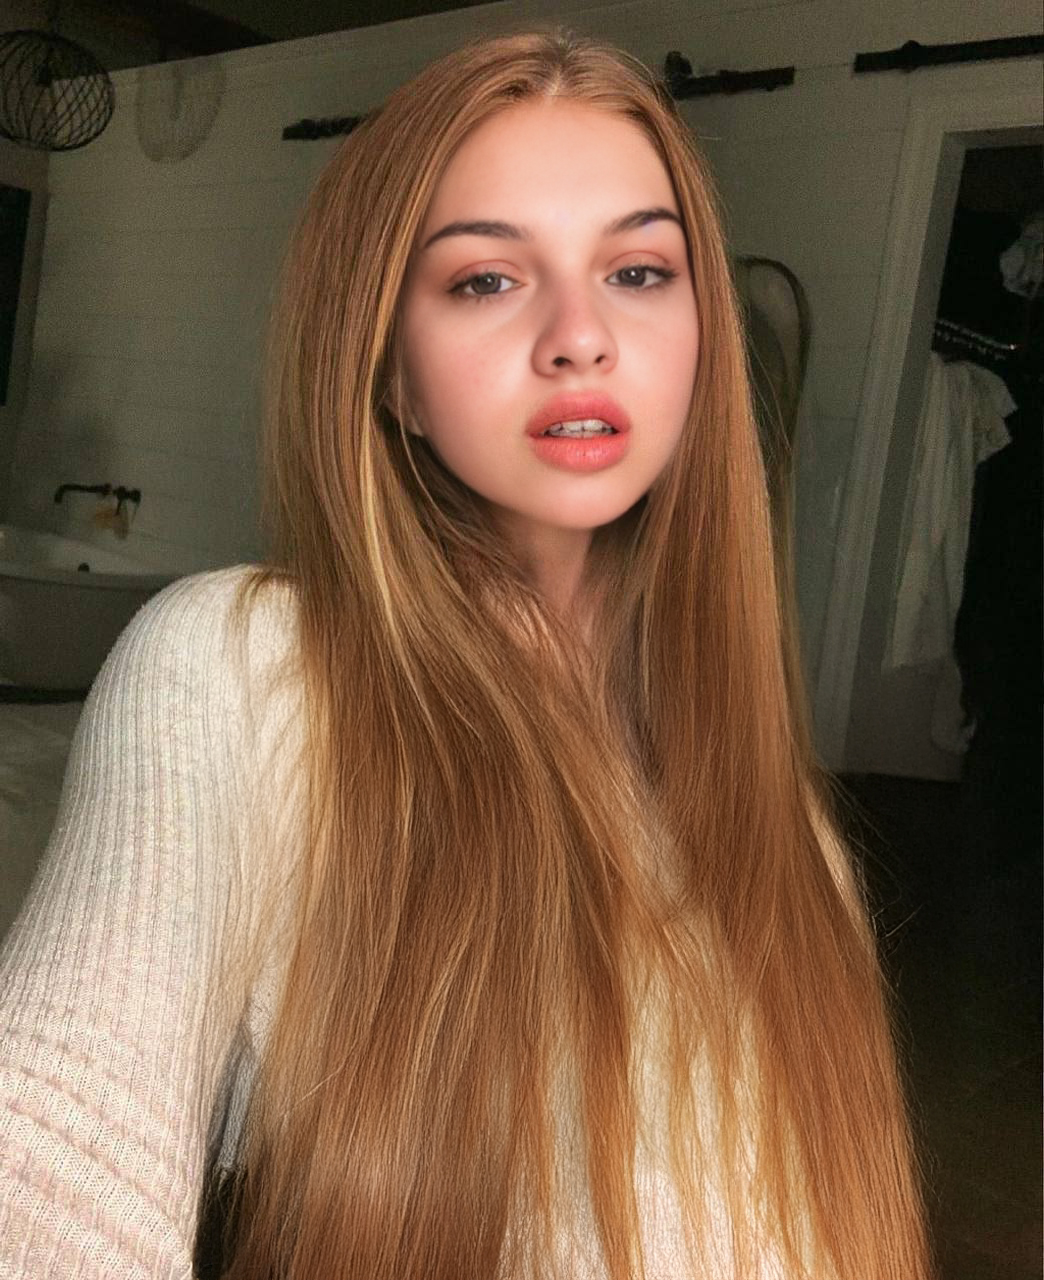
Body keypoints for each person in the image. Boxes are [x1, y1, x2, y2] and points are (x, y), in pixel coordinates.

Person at [0, 27, 932, 1280]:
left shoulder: (792, 829)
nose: (580, 335)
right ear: (390, 373)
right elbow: (51, 1146)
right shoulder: (242, 670)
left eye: (639, 270)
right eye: (487, 280)